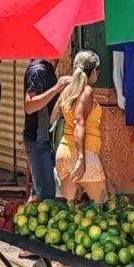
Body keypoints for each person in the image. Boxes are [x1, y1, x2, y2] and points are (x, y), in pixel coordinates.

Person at [53, 50, 106, 202]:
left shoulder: (68, 90)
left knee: (70, 210)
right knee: (103, 206)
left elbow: (52, 117)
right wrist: (81, 158)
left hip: (64, 152)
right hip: (83, 154)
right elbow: (78, 121)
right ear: (94, 72)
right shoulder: (87, 91)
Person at [23, 58, 70, 199]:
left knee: (43, 193)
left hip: (47, 140)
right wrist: (57, 88)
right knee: (45, 195)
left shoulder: (48, 69)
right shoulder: (38, 70)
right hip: (39, 140)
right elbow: (30, 106)